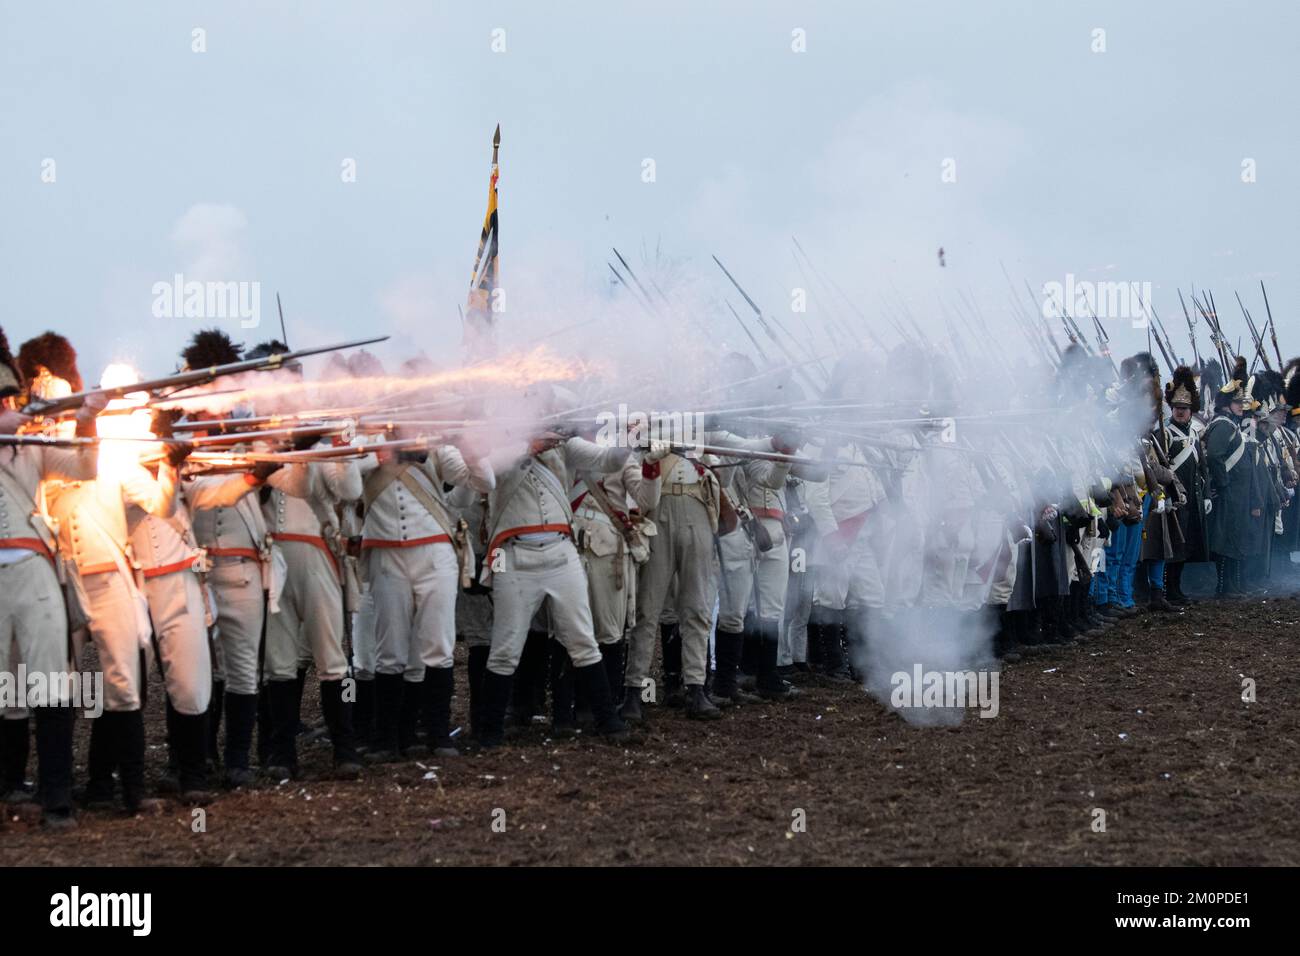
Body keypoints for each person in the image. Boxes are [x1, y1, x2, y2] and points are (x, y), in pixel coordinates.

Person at [0, 327, 103, 828]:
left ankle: (57, 796)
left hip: (33, 568)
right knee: (5, 690)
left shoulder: (32, 443)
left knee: (47, 681)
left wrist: (87, 421)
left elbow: (84, 468)